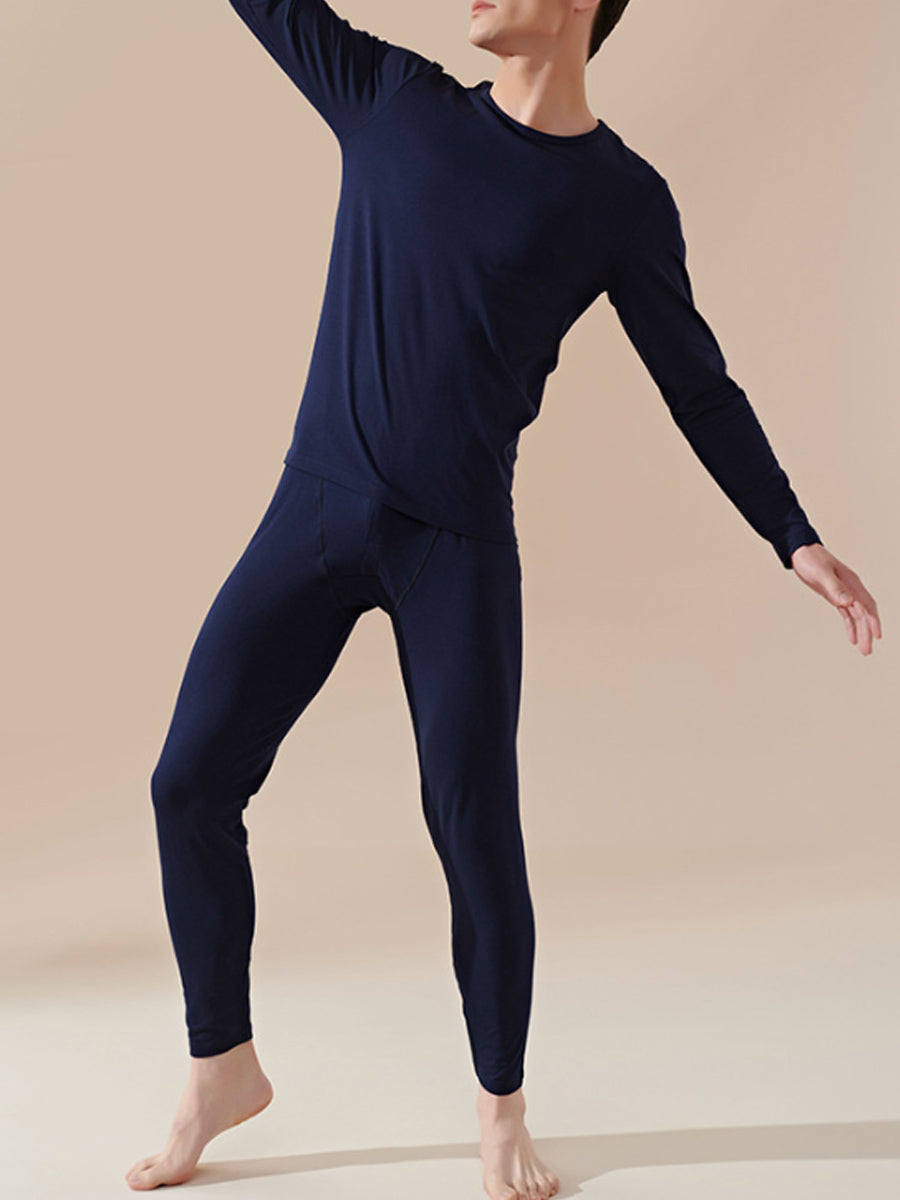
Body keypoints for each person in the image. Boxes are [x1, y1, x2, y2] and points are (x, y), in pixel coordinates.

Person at [125, 1, 882, 1196]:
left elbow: (698, 385)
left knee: (474, 827)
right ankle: (221, 1065)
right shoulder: (389, 99)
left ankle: (500, 1112)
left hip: (457, 547)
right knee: (188, 781)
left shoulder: (619, 199)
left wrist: (792, 533)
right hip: (314, 511)